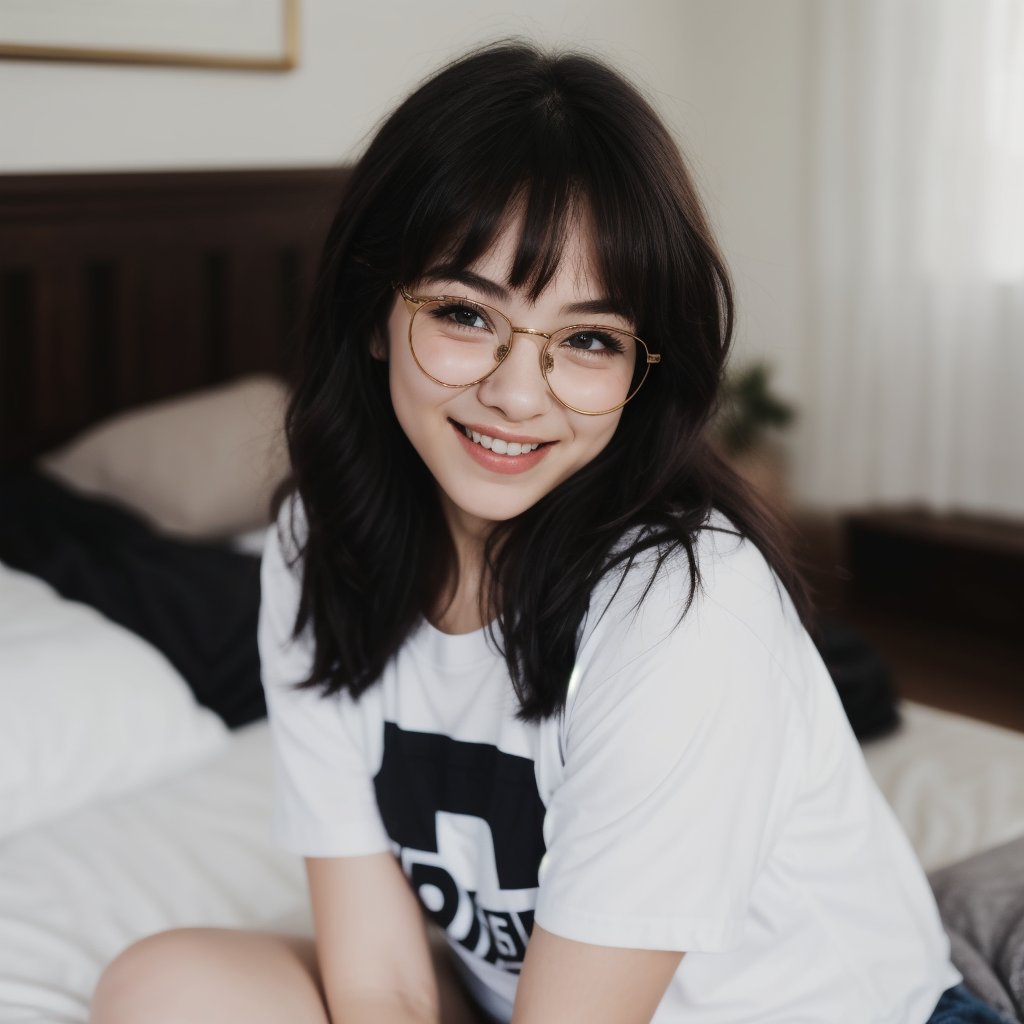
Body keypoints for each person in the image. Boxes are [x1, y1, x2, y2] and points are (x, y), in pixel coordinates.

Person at [89, 41, 999, 1024]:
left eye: (589, 340)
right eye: (464, 314)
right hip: (525, 1003)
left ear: (642, 368)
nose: (518, 393)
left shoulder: (684, 605)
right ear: (370, 312)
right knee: (164, 986)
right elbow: (380, 976)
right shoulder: (320, 548)